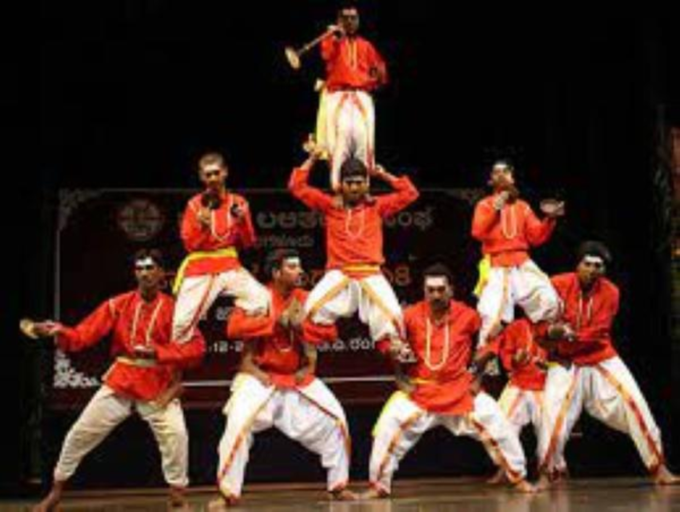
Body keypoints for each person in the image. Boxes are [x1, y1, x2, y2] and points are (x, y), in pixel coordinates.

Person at [31, 249, 205, 511]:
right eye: (139, 268)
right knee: (80, 434)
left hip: (158, 383)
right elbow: (83, 335)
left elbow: (196, 349)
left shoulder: (175, 310)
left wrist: (158, 352)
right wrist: (60, 330)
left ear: (161, 273)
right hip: (122, 381)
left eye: (149, 268)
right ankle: (55, 492)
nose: (144, 273)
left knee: (176, 437)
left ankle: (177, 498)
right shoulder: (118, 304)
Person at [363, 264, 535, 498]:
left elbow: (491, 340)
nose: (435, 295)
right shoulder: (410, 315)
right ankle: (379, 486)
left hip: (459, 391)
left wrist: (478, 377)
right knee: (387, 428)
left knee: (498, 424)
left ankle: (518, 477)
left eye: (440, 289)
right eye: (430, 290)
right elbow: (388, 343)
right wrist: (399, 376)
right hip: (421, 391)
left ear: (451, 290)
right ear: (424, 291)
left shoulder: (467, 315)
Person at [208, 249, 355, 510]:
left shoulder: (307, 299)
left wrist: (301, 326)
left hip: (296, 379)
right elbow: (233, 328)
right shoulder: (257, 297)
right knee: (237, 427)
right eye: (292, 267)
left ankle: (338, 485)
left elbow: (330, 332)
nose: (299, 271)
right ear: (276, 272)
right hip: (259, 376)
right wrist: (275, 321)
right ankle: (228, 494)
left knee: (337, 420)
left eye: (299, 266)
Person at [535, 241, 680, 486]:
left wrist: (566, 334)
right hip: (565, 360)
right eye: (587, 264)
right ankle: (548, 474)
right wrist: (551, 331)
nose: (592, 269)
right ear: (578, 265)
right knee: (553, 418)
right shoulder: (556, 284)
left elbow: (598, 331)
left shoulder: (611, 291)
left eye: (598, 266)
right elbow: (539, 321)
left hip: (599, 356)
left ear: (604, 270)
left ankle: (659, 468)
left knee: (635, 405)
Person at [288, 148, 418, 363]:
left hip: (370, 274)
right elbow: (296, 186)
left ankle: (397, 358)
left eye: (359, 182)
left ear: (367, 184)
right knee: (309, 312)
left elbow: (410, 193)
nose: (355, 187)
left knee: (394, 318)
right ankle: (307, 354)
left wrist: (384, 175)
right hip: (339, 273)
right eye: (350, 182)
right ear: (341, 185)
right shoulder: (331, 206)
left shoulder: (377, 206)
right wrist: (311, 159)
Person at [173, 152, 269, 344]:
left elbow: (249, 242)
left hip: (229, 266)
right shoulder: (193, 205)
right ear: (201, 177)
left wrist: (242, 222)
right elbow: (189, 245)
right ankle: (171, 367)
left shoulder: (239, 203)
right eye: (208, 175)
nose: (213, 178)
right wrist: (202, 227)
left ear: (225, 172)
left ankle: (234, 330)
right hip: (201, 267)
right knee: (181, 325)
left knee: (263, 301)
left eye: (216, 173)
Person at [471, 159, 564, 349]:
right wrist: (496, 208)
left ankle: (543, 341)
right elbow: (477, 233)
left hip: (522, 264)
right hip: (496, 266)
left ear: (512, 179)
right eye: (497, 172)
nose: (502, 175)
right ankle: (484, 367)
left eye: (506, 172)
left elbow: (536, 237)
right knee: (491, 316)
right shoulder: (484, 204)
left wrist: (550, 218)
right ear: (491, 181)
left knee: (549, 300)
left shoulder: (523, 206)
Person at [478, 318, 567, 483]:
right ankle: (507, 468)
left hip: (547, 387)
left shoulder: (556, 325)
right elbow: (507, 355)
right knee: (499, 425)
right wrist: (515, 361)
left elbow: (565, 355)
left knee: (552, 430)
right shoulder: (517, 326)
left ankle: (551, 471)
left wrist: (549, 365)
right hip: (519, 383)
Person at [314, 3, 387, 191]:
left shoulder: (366, 45)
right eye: (345, 18)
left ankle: (364, 190)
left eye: (353, 18)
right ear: (339, 20)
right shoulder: (331, 39)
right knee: (339, 143)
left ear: (358, 21)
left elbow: (380, 71)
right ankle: (338, 189)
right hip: (338, 95)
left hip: (362, 96)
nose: (350, 21)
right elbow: (327, 56)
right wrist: (334, 37)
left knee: (364, 142)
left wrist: (374, 80)